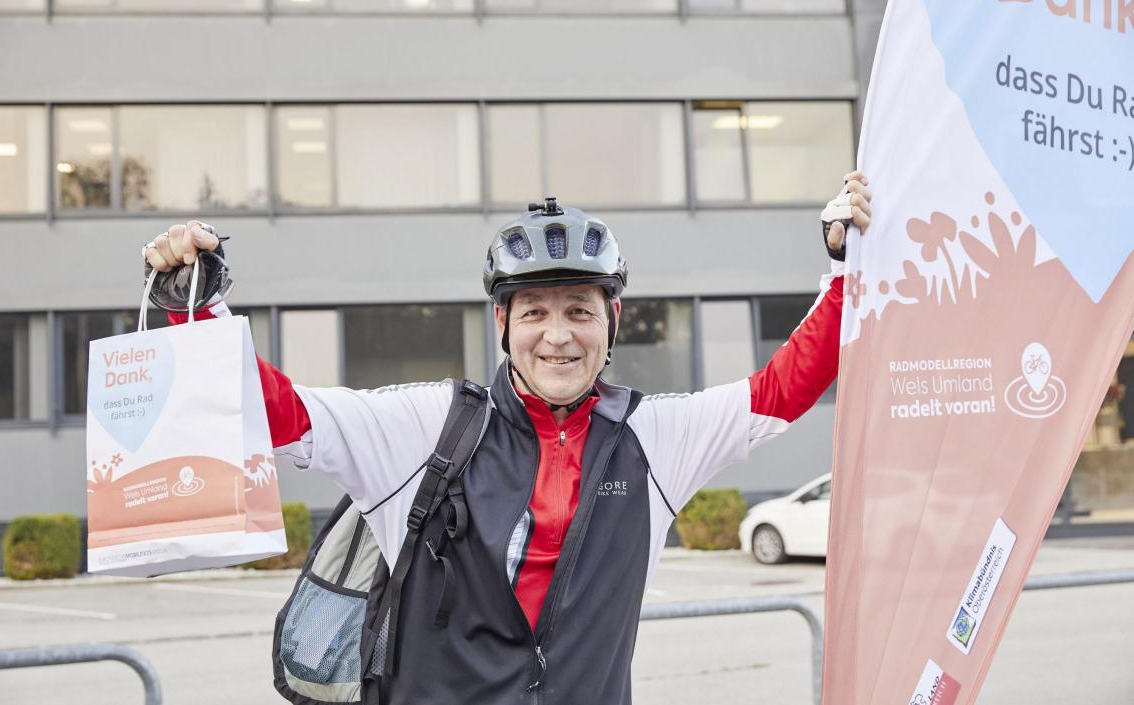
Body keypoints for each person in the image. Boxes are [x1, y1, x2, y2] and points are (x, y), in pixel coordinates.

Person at [141, 172, 871, 704]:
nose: (559, 336)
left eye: (581, 310)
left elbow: (782, 390)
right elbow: (281, 413)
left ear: (611, 323)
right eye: (535, 313)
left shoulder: (654, 437)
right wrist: (198, 308)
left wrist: (846, 266)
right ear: (503, 326)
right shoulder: (427, 427)